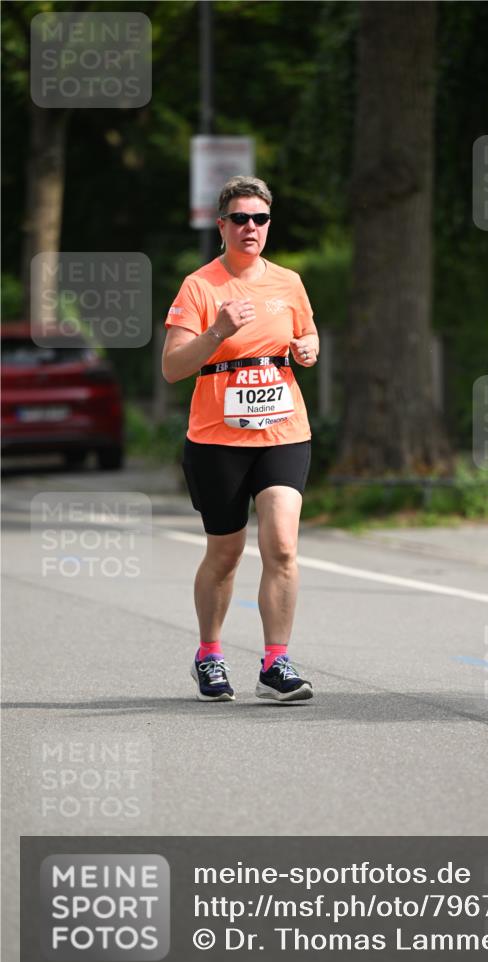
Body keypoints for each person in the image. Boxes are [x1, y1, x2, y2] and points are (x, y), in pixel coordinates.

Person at [162, 175, 319, 703]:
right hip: (217, 439)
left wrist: (307, 348)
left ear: (269, 225)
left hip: (283, 431)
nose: (251, 227)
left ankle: (276, 664)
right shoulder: (200, 287)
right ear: (222, 225)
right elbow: (172, 367)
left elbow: (308, 331)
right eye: (241, 219)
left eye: (261, 219)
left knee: (282, 545)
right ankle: (209, 655)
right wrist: (217, 331)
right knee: (225, 554)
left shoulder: (290, 282)